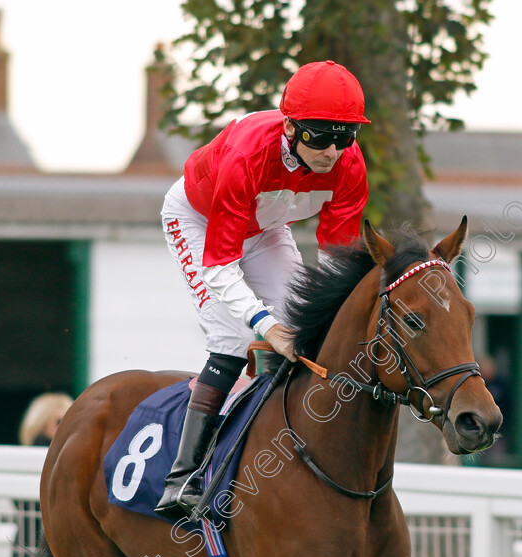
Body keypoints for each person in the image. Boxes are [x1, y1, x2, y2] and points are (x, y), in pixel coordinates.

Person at [155, 60, 370, 518]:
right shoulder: (249, 154)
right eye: (319, 135)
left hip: (267, 226)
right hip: (199, 217)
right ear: (290, 126)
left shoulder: (350, 165)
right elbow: (219, 265)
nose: (332, 151)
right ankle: (183, 477)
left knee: (302, 320)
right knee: (234, 335)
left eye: (345, 136)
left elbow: (335, 264)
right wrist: (265, 325)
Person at [13, 392, 73, 557]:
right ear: (40, 423)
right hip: (37, 545)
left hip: (32, 542)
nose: (66, 427)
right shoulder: (42, 455)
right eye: (59, 422)